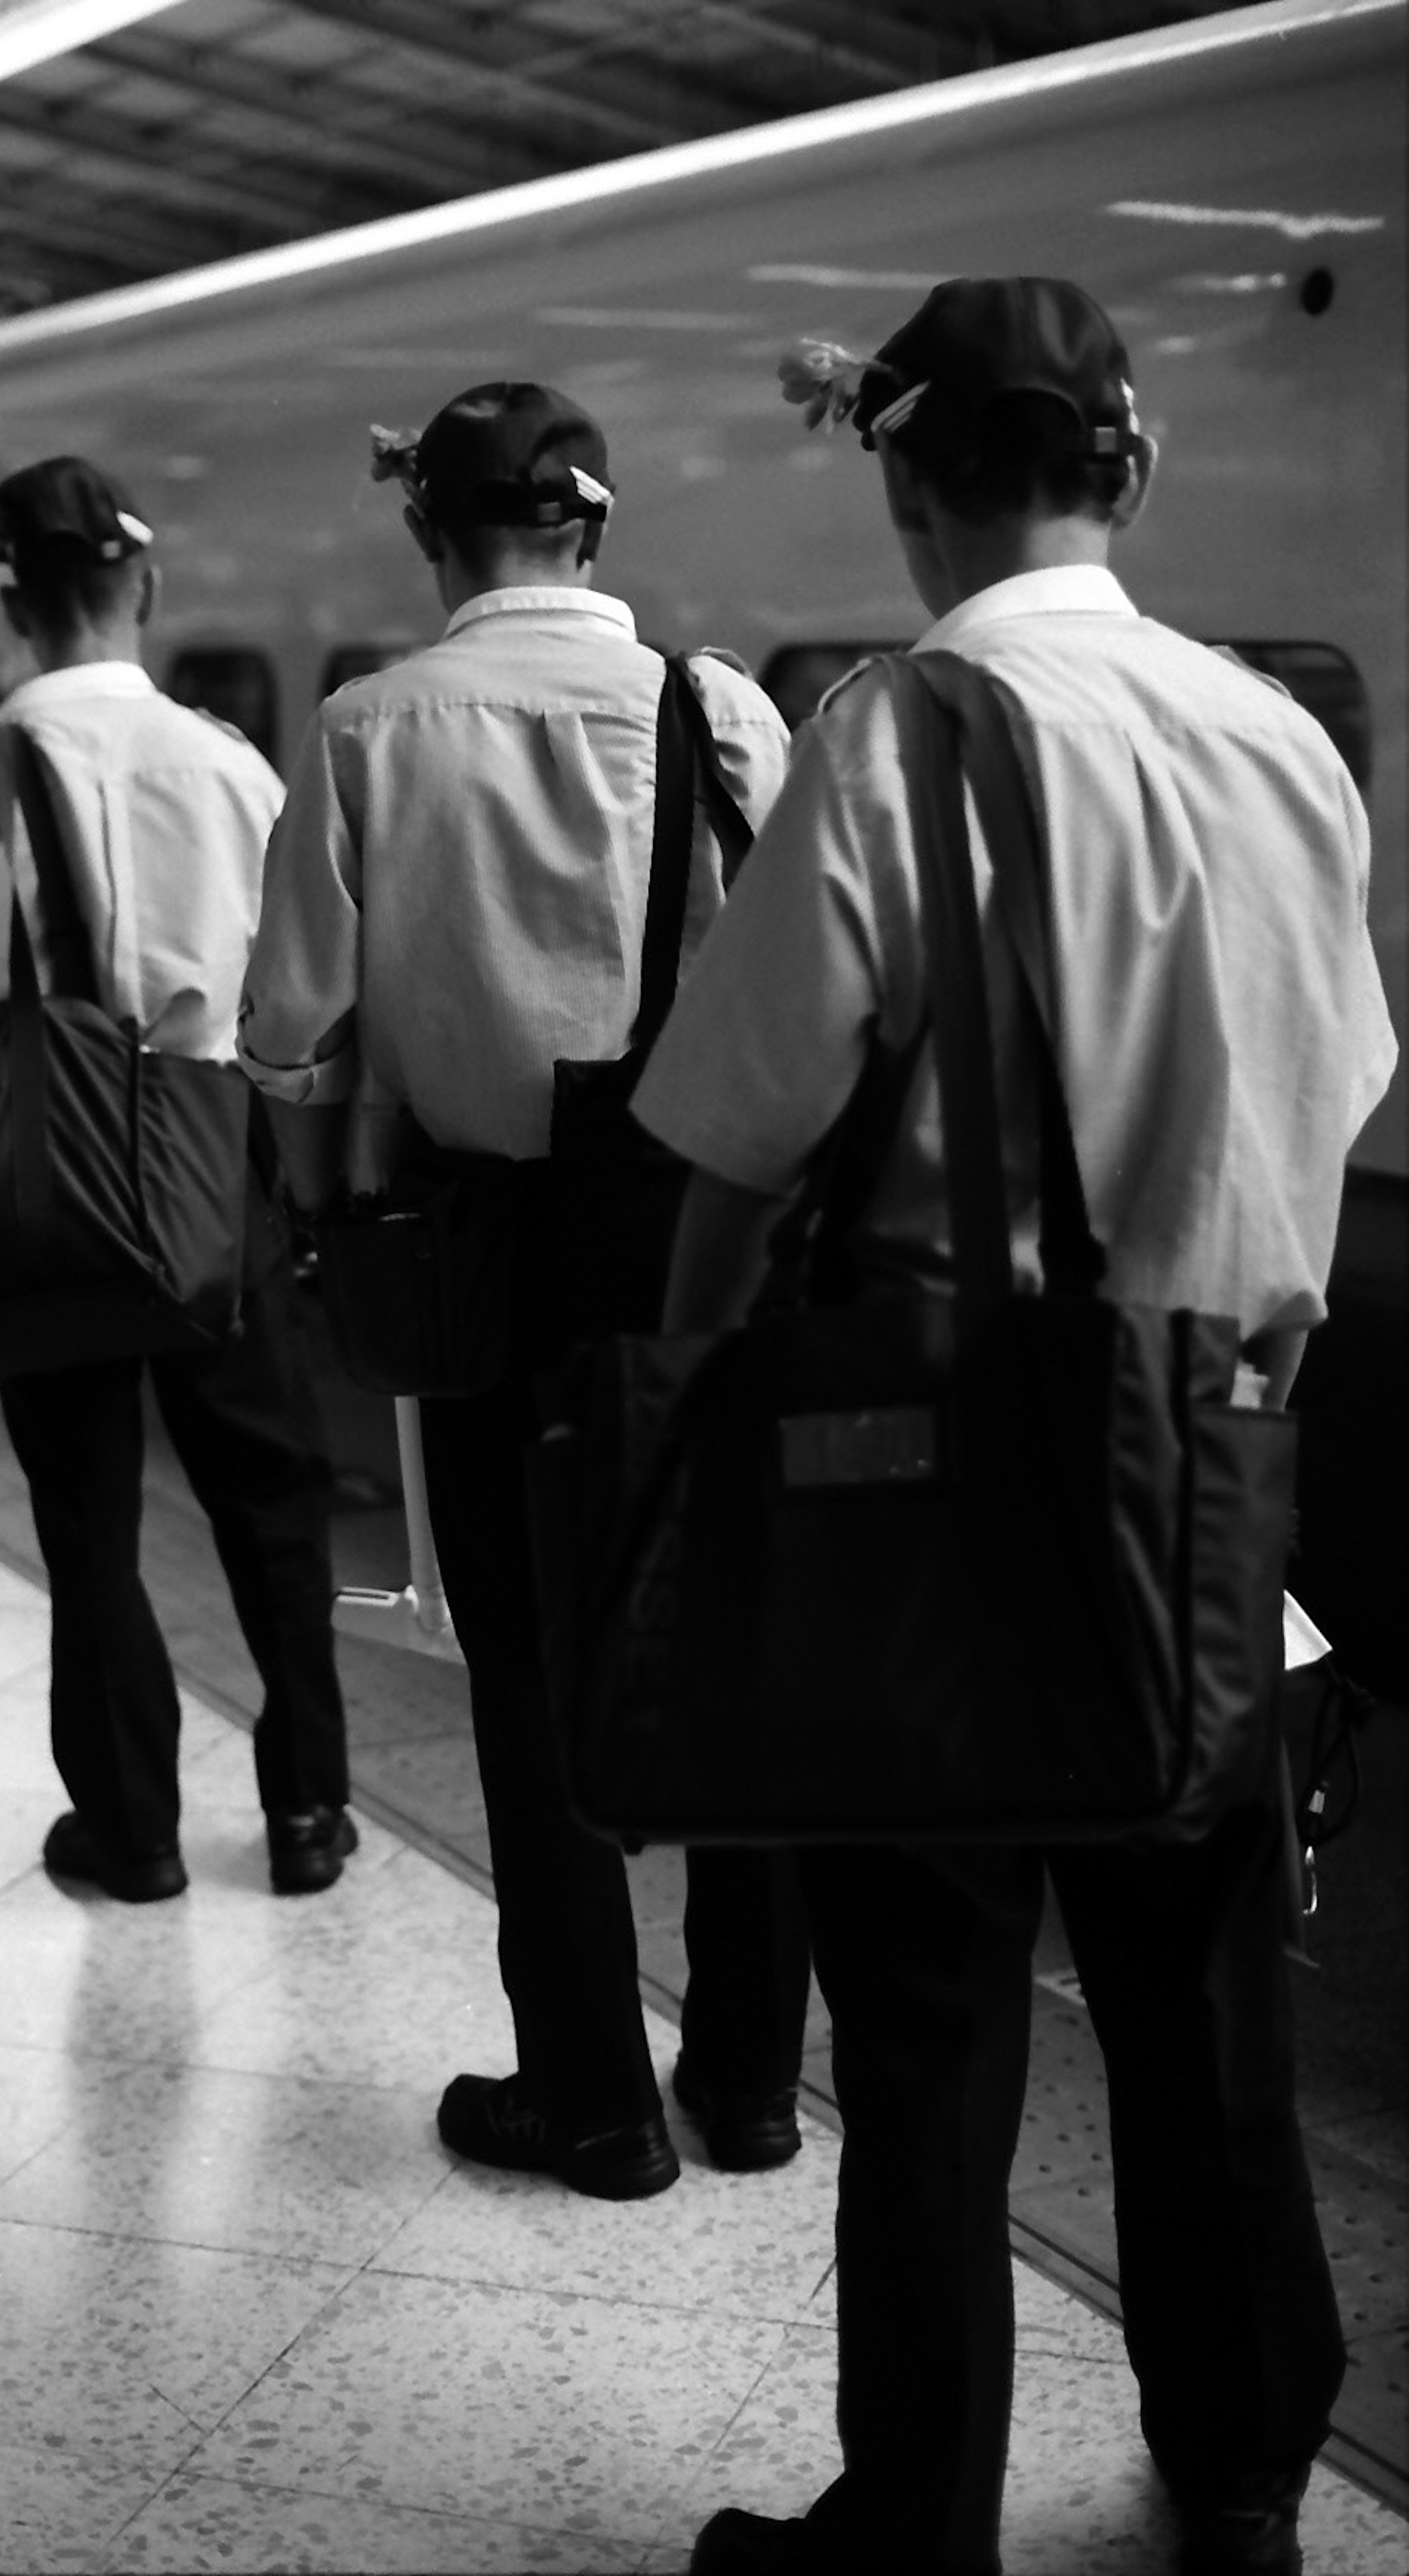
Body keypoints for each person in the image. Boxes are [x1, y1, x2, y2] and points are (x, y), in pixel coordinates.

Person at [630, 281, 1398, 2574]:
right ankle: (1249, 2469)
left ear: (905, 482)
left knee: (941, 2022)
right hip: (1220, 1463)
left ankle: (920, 2519)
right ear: (1131, 475)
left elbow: (742, 1137)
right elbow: (1344, 1083)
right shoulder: (1285, 741)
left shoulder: (901, 731)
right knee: (1201, 2003)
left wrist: (686, 1404)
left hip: (940, 1499)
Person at [238, 380, 809, 2198]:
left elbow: (285, 1029)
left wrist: (353, 1121)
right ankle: (748, 2084)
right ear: (601, 527)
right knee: (739, 1642)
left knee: (527, 1668)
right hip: (708, 1247)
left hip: (488, 1250)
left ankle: (589, 2099)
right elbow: (813, 976)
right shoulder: (714, 705)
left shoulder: (369, 726)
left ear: (433, 534)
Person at [0, 454, 356, 1906]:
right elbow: (296, 996)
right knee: (270, 1502)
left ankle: (133, 1826)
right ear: (141, 587)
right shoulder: (231, 764)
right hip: (213, 1160)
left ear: (11, 598)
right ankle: (310, 1811)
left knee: (84, 1517)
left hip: (38, 1183)